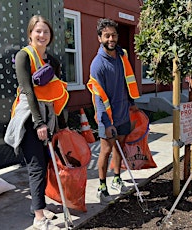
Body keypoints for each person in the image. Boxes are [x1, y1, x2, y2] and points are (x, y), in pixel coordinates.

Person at [4, 15, 69, 230]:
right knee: (36, 167)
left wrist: (59, 126)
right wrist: (39, 123)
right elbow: (28, 91)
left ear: (50, 36)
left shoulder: (53, 62)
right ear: (30, 33)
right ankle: (39, 218)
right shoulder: (24, 57)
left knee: (45, 164)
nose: (42, 35)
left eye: (46, 32)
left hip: (47, 119)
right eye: (38, 31)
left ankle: (38, 206)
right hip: (28, 119)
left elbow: (56, 95)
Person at [87, 18, 140, 204]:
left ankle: (117, 178)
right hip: (107, 117)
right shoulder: (97, 64)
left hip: (124, 112)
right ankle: (102, 185)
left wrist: (132, 104)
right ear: (99, 37)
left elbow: (127, 81)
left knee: (120, 148)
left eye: (114, 35)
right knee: (106, 150)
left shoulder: (121, 56)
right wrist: (106, 123)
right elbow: (98, 97)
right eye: (107, 35)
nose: (111, 38)